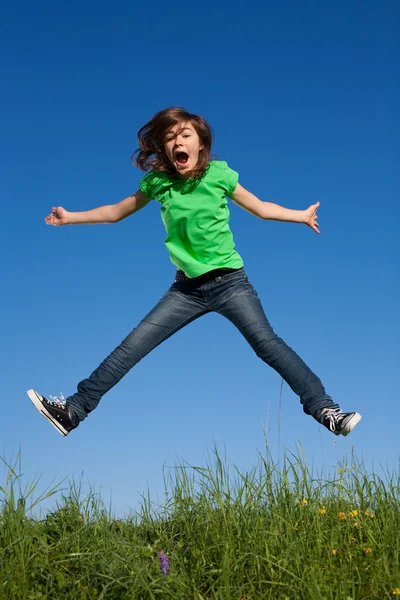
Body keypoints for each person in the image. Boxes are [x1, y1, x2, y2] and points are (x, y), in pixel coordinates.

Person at [27, 107, 361, 438]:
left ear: (201, 144)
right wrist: (70, 217)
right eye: (170, 138)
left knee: (267, 343)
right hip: (185, 290)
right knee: (131, 347)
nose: (178, 142)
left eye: (185, 135)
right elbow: (116, 212)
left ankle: (326, 409)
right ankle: (73, 411)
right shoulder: (158, 182)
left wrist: (300, 215)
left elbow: (260, 208)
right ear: (164, 150)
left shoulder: (219, 174)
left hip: (231, 282)